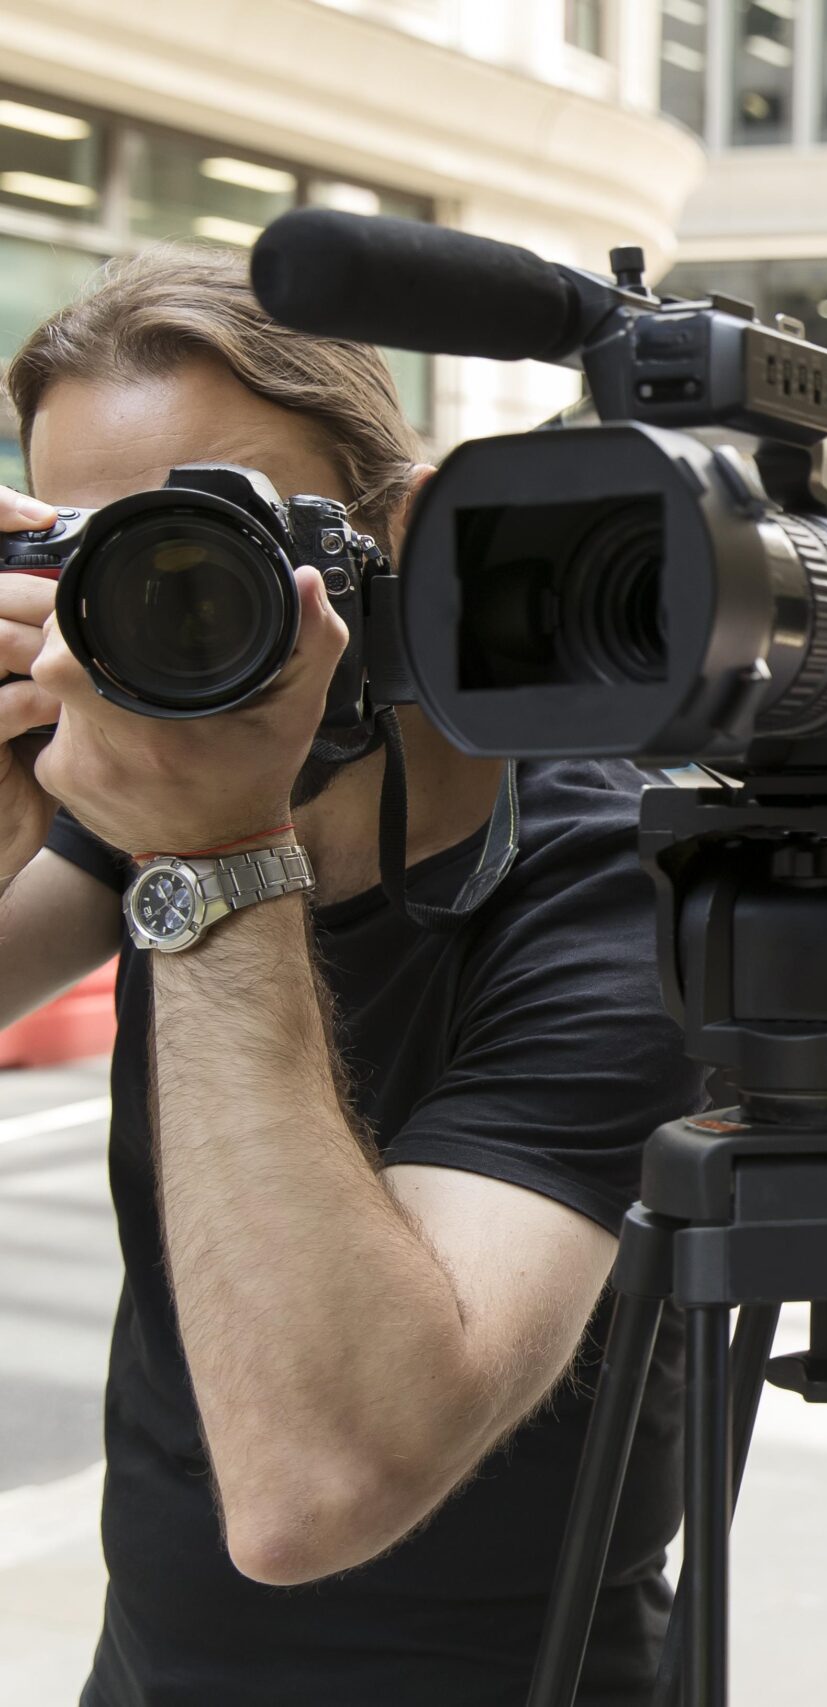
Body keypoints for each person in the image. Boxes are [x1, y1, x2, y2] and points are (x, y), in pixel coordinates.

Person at [0, 246, 697, 1705]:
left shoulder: (615, 875)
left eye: (215, 537)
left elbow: (321, 1485)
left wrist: (218, 861)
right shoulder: (135, 775)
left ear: (402, 529)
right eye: (95, 557)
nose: (159, 608)